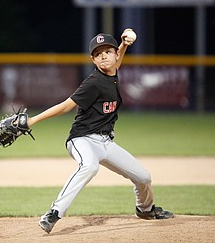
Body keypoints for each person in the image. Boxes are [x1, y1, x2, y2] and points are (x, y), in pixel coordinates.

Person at [28, 29, 174, 234]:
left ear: (115, 55)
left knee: (143, 177)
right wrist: (33, 120)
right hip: (82, 139)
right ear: (93, 60)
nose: (103, 56)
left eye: (107, 51)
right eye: (98, 54)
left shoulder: (113, 72)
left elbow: (117, 63)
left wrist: (124, 45)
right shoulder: (93, 82)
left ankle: (145, 209)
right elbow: (66, 106)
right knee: (89, 167)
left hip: (106, 143)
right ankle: (54, 212)